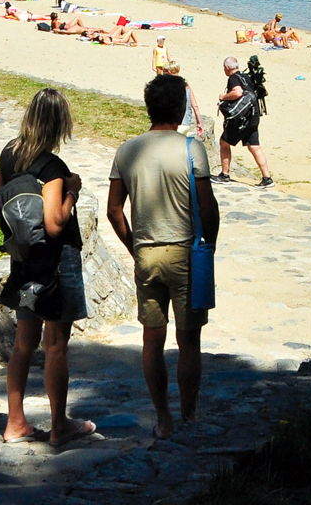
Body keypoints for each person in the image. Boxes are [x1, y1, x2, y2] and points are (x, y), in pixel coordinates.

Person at [107, 73, 221, 439]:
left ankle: (162, 417)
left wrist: (134, 246)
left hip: (146, 254)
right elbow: (207, 205)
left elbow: (114, 210)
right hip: (185, 254)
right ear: (181, 108)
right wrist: (209, 244)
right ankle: (188, 413)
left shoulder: (127, 150)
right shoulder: (191, 149)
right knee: (189, 342)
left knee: (152, 340)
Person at [0, 88, 94, 446]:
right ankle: (59, 426)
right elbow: (54, 222)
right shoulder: (52, 167)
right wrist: (72, 191)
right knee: (55, 345)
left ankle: (15, 423)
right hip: (56, 263)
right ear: (59, 124)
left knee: (23, 343)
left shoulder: (9, 154)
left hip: (24, 259)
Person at [217, 58, 273, 186]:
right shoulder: (246, 77)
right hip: (253, 116)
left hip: (241, 119)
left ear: (227, 68)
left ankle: (225, 175)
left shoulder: (234, 78)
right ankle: (267, 178)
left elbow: (237, 93)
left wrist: (224, 96)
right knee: (254, 146)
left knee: (224, 142)